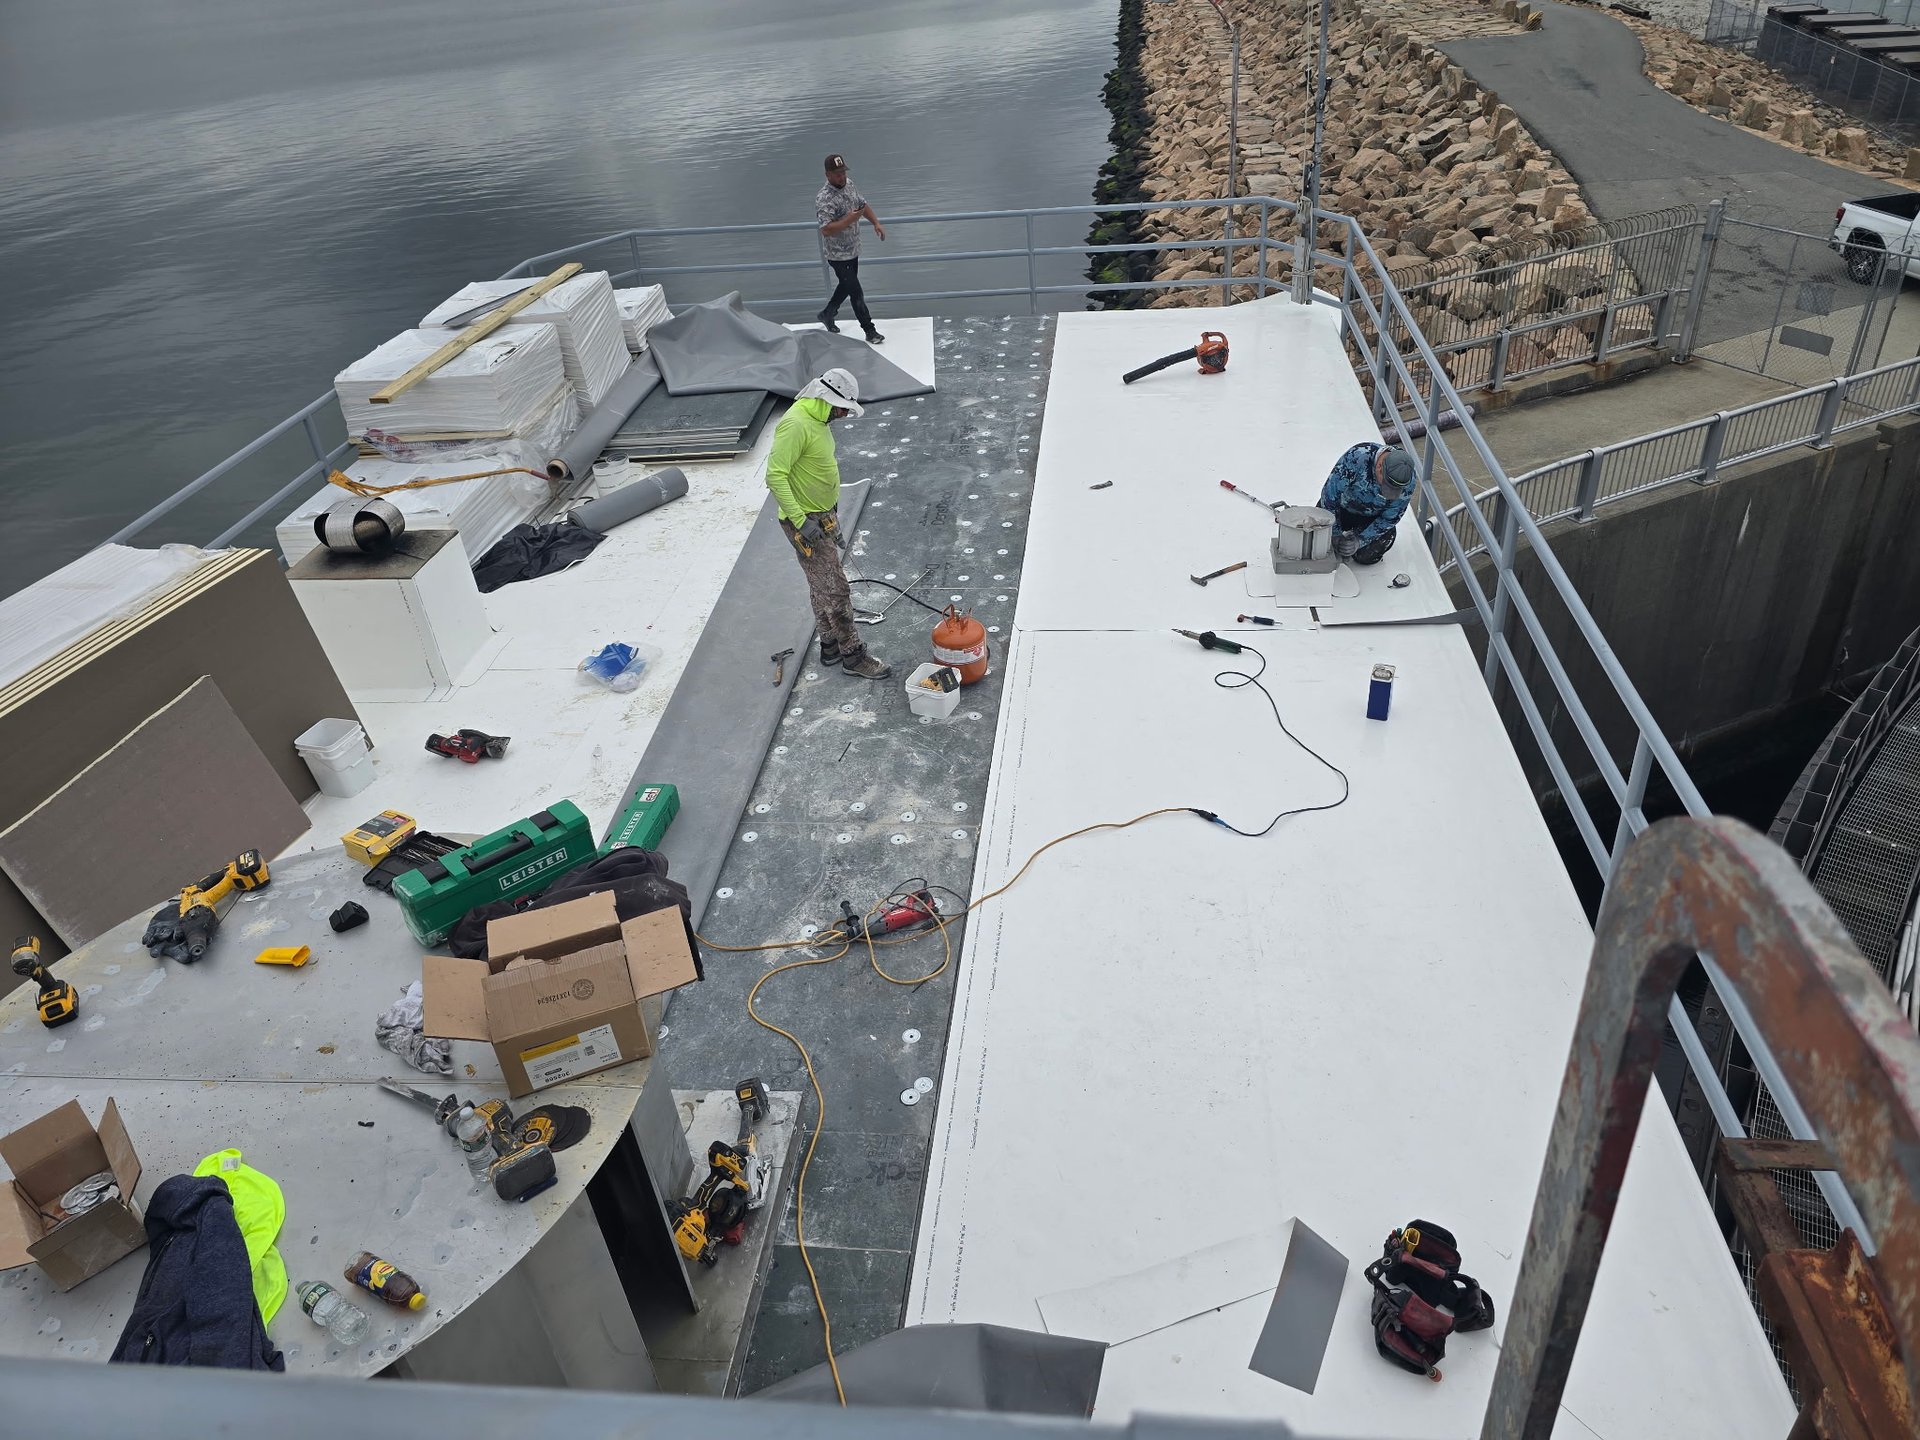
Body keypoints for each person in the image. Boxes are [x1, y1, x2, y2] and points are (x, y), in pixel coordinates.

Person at [766, 368, 891, 679]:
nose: (846, 415)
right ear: (827, 399)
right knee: (836, 592)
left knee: (820, 585)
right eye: (843, 409)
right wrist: (801, 522)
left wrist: (829, 516)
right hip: (804, 522)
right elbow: (775, 476)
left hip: (820, 516)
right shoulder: (795, 425)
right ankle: (853, 656)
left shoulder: (818, 419)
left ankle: (830, 646)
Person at [815, 153, 886, 345]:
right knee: (856, 291)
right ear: (827, 174)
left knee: (846, 286)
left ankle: (827, 314)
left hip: (853, 249)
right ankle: (870, 330)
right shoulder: (824, 198)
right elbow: (826, 230)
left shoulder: (850, 185)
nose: (842, 176)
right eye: (837, 174)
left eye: (843, 172)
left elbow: (862, 205)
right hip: (837, 255)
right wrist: (849, 220)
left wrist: (876, 223)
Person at [1318, 442, 1417, 565]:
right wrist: (1335, 533)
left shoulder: (1407, 480)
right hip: (1343, 509)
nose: (1387, 491)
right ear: (1380, 467)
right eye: (1386, 485)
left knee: (1366, 556)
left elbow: (1390, 518)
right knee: (1318, 541)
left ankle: (1357, 535)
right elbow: (1329, 496)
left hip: (1371, 518)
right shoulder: (1357, 457)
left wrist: (1360, 541)